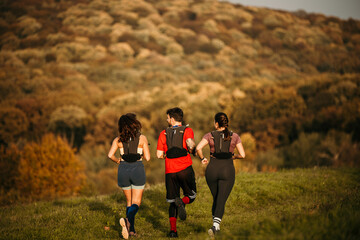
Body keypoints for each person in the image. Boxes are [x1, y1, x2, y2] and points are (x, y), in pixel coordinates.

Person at [196, 112, 245, 238]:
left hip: (212, 170)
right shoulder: (235, 136)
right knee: (221, 199)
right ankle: (215, 227)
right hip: (227, 169)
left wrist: (203, 159)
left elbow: (198, 148)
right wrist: (234, 156)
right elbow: (243, 155)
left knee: (217, 198)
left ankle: (216, 228)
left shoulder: (210, 135)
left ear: (216, 123)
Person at [108, 113, 150, 239]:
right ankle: (127, 221)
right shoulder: (142, 138)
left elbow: (110, 155)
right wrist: (141, 153)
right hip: (137, 169)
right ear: (134, 124)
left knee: (129, 202)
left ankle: (131, 230)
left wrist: (117, 161)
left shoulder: (117, 140)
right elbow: (147, 158)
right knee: (136, 202)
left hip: (123, 170)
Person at [156, 107, 197, 238]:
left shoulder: (163, 133)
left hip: (170, 171)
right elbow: (190, 144)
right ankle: (183, 202)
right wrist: (191, 150)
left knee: (172, 201)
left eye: (167, 118)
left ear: (172, 119)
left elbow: (158, 155)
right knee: (192, 195)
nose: (167, 120)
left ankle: (173, 232)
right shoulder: (187, 130)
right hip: (185, 168)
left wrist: (166, 156)